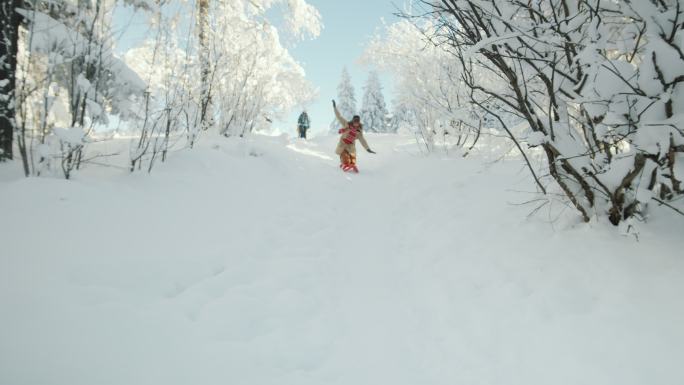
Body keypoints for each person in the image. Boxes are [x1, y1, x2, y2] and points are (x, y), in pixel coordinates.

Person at [332, 99, 376, 173]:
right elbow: (339, 117)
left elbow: (362, 140)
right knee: (345, 156)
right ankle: (344, 163)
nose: (356, 124)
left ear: (359, 123)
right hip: (343, 144)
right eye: (355, 122)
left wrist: (367, 149)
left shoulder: (359, 132)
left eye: (357, 122)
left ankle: (351, 164)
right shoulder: (347, 124)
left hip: (351, 146)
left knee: (353, 158)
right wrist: (334, 107)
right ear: (353, 121)